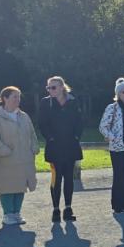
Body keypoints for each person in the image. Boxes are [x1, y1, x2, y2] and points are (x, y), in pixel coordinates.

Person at [0, 87, 39, 225]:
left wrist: (34, 147)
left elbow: (32, 134)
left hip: (24, 159)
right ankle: (8, 215)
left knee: (20, 187)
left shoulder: (24, 116)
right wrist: (4, 151)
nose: (18, 100)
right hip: (5, 161)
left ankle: (16, 213)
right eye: (14, 97)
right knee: (7, 187)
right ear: (5, 99)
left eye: (19, 97)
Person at [38, 76, 83, 223]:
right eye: (49, 87)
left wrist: (76, 136)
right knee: (56, 179)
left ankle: (68, 208)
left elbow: (80, 120)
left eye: (53, 87)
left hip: (71, 146)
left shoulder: (73, 101)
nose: (50, 90)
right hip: (54, 148)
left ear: (62, 87)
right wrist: (50, 137)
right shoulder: (45, 103)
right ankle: (56, 209)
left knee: (69, 178)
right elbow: (42, 124)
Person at [99, 78, 124, 214]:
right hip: (117, 148)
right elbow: (103, 126)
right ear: (117, 93)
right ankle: (117, 205)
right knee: (118, 176)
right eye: (123, 92)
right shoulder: (112, 108)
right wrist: (112, 137)